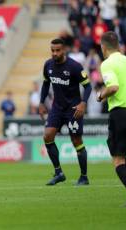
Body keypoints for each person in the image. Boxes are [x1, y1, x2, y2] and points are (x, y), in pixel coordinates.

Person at [96, 31, 126, 207]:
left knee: (117, 160)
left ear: (104, 47)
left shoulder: (107, 64)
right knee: (122, 155)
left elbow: (113, 87)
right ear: (118, 45)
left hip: (120, 113)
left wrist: (100, 95)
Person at [39, 38, 92, 186]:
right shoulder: (48, 65)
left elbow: (88, 87)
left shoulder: (74, 67)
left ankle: (84, 177)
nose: (54, 53)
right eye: (52, 50)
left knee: (76, 141)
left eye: (58, 50)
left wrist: (83, 103)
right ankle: (59, 173)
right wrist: (42, 102)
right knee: (47, 136)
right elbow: (45, 83)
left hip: (73, 109)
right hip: (57, 108)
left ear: (64, 50)